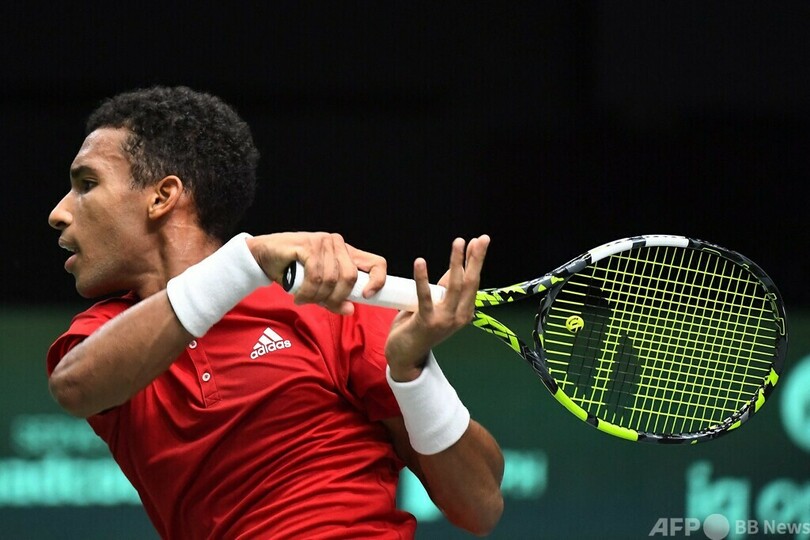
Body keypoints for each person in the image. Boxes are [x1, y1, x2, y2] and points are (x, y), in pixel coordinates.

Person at [46, 86, 504, 539]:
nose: (58, 213)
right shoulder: (104, 333)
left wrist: (413, 373)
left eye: (87, 184)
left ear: (162, 196)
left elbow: (480, 507)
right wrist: (246, 260)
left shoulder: (329, 306)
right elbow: (76, 387)